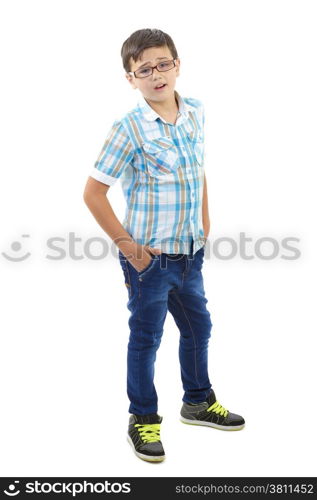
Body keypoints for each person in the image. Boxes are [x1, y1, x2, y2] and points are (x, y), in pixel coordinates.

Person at [83, 28, 245, 463]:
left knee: (198, 328)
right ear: (130, 77)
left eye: (163, 64)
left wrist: (205, 222)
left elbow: (198, 170)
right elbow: (93, 192)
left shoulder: (195, 112)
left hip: (191, 252)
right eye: (145, 69)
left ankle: (197, 401)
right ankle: (144, 418)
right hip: (149, 259)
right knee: (147, 337)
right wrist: (131, 249)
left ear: (177, 64)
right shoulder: (129, 127)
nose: (157, 74)